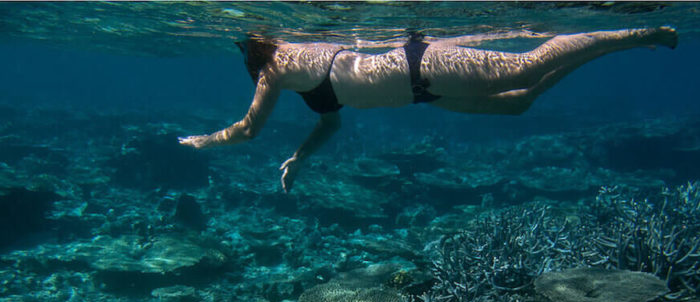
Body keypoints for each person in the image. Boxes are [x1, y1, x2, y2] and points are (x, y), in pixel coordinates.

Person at [179, 27, 678, 192]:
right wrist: (302, 157)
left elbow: (247, 130)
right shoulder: (298, 75)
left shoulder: (274, 68)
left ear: (253, 57)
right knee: (520, 104)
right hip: (427, 91)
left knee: (528, 67)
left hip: (424, 65)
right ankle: (610, 47)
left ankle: (634, 36)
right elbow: (331, 120)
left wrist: (206, 141)